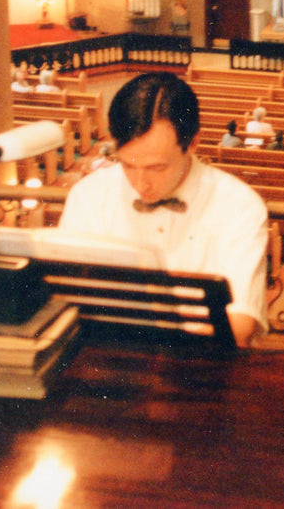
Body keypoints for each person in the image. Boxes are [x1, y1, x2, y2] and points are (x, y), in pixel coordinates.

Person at [57, 72, 268, 346]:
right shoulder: (90, 195)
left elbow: (239, 326)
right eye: (128, 165)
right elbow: (64, 298)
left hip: (200, 371)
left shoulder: (238, 205)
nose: (141, 184)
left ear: (192, 142)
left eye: (157, 167)